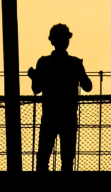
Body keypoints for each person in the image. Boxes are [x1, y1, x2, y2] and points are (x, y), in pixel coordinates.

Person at [28, 23, 92, 172]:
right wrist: (79, 73)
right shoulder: (75, 63)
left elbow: (36, 89)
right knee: (67, 161)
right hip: (68, 117)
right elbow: (88, 87)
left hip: (49, 116)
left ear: (52, 41)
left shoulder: (44, 63)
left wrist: (34, 77)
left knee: (43, 159)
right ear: (67, 41)